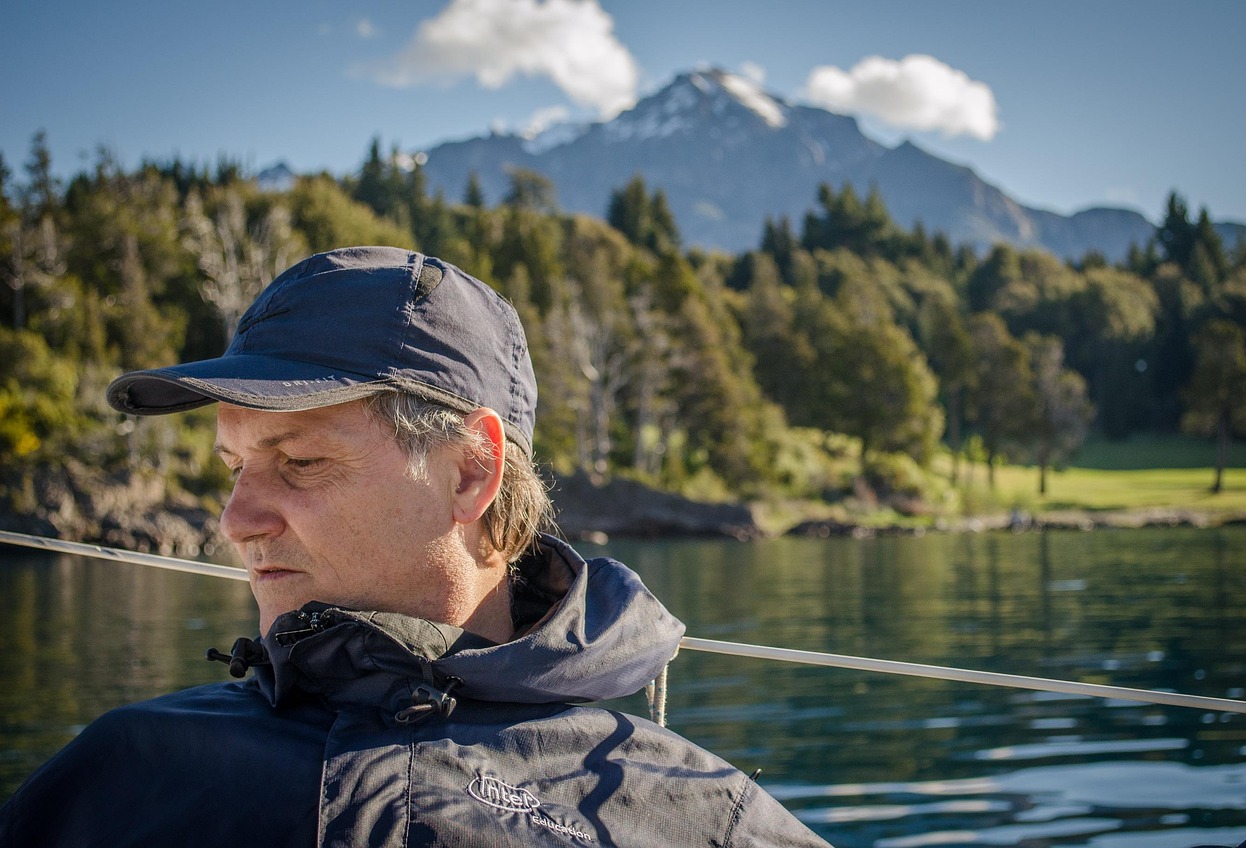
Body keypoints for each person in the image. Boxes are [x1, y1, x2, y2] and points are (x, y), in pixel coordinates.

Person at [0, 246, 831, 847]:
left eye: (300, 463)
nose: (236, 520)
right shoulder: (122, 771)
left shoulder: (695, 817)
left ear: (471, 471)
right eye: (233, 468)